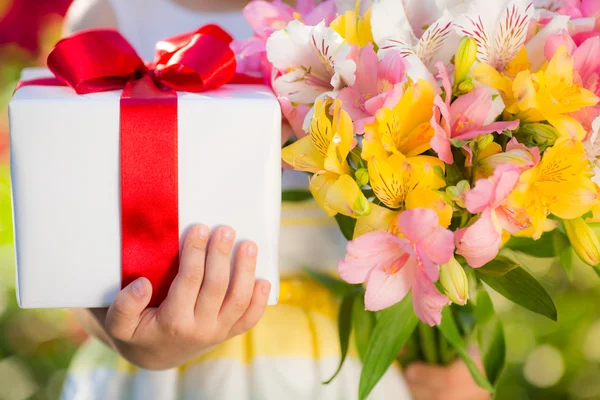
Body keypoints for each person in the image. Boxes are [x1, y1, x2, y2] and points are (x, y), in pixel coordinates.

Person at [59, 1, 490, 399]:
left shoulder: (375, 11)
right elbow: (71, 253)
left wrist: (458, 356)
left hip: (347, 359)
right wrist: (133, 342)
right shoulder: (108, 15)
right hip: (164, 372)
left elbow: (445, 191)